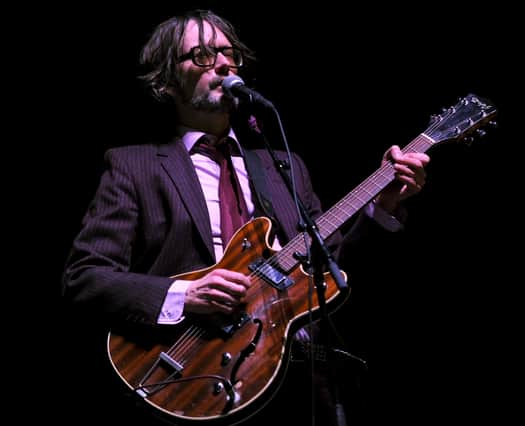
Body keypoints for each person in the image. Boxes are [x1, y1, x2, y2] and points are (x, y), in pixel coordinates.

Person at [61, 8, 429, 426]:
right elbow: (85, 278)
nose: (221, 63)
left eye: (227, 53)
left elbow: (334, 272)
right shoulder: (135, 166)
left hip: (297, 378)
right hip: (190, 372)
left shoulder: (284, 166)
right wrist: (186, 295)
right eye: (200, 56)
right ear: (166, 83)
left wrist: (383, 208)